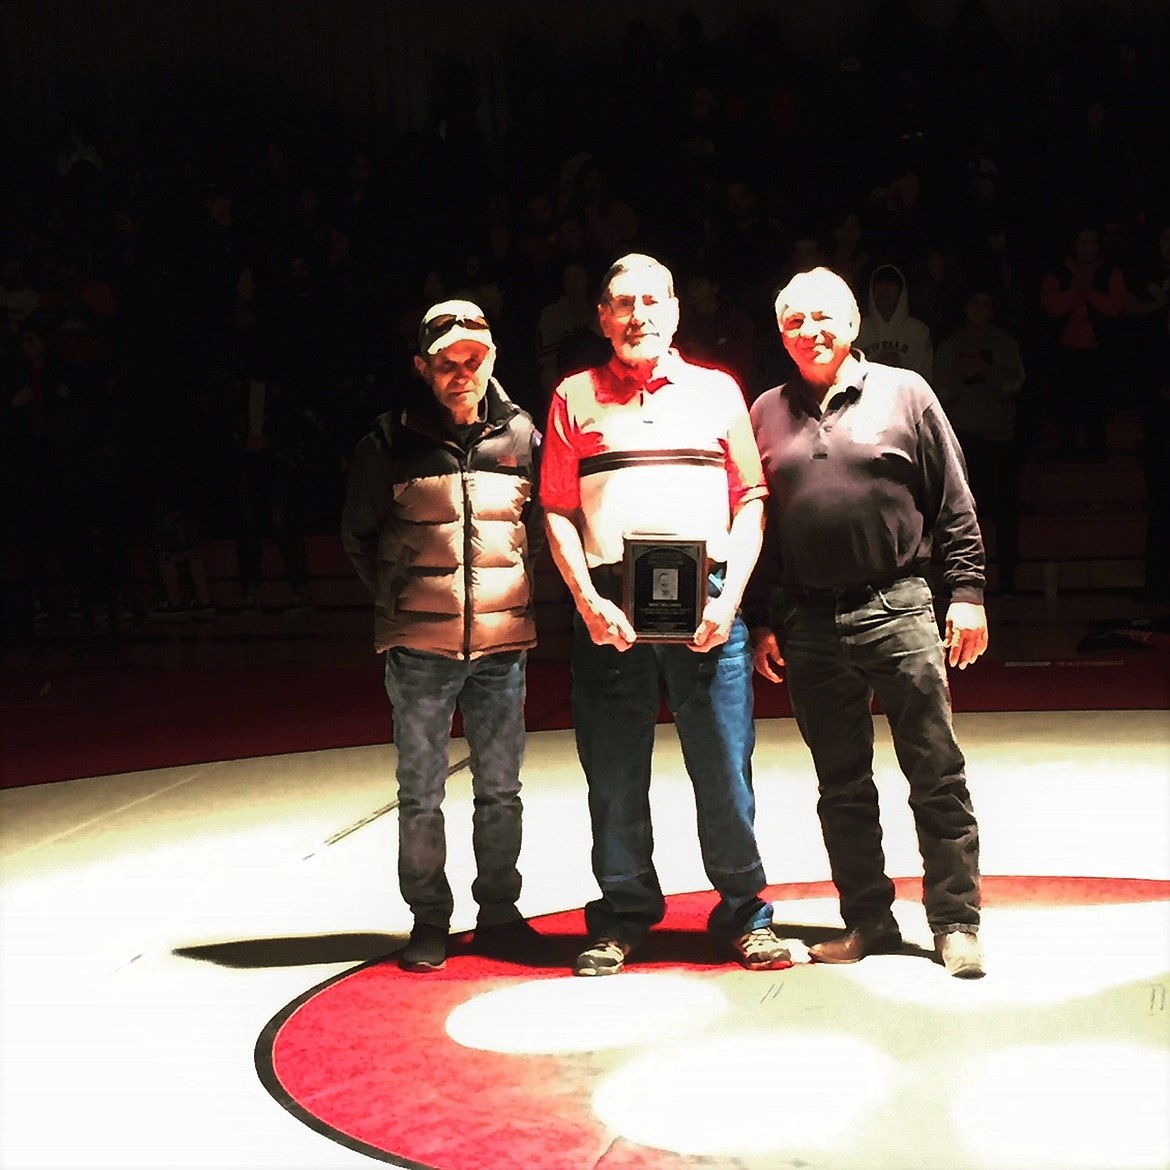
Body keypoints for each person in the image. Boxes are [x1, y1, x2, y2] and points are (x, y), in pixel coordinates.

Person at [540, 252, 791, 977]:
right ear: (601, 316)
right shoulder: (572, 397)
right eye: (622, 303)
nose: (638, 315)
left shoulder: (718, 393)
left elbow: (750, 500)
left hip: (710, 603)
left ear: (676, 310)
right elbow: (555, 508)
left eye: (652, 301)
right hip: (607, 612)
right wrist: (587, 602)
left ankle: (745, 913)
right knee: (614, 774)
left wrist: (731, 595)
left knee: (724, 773)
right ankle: (622, 916)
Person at [745, 266, 988, 979]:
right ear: (781, 333)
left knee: (935, 772)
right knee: (841, 784)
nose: (809, 332)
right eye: (794, 322)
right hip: (808, 621)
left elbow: (955, 501)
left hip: (899, 604)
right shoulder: (763, 411)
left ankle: (956, 922)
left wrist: (966, 593)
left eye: (822, 318)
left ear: (852, 323)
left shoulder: (906, 393)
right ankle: (869, 921)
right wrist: (763, 621)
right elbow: (757, 527)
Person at [341, 299, 544, 973]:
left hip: (501, 648)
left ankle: (500, 912)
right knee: (421, 792)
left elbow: (539, 529)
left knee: (501, 789)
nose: (463, 371)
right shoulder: (387, 440)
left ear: (491, 360)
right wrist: (405, 602)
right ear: (422, 367)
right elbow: (361, 537)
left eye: (475, 358)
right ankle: (430, 918)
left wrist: (512, 597)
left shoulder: (521, 436)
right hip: (419, 652)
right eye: (448, 361)